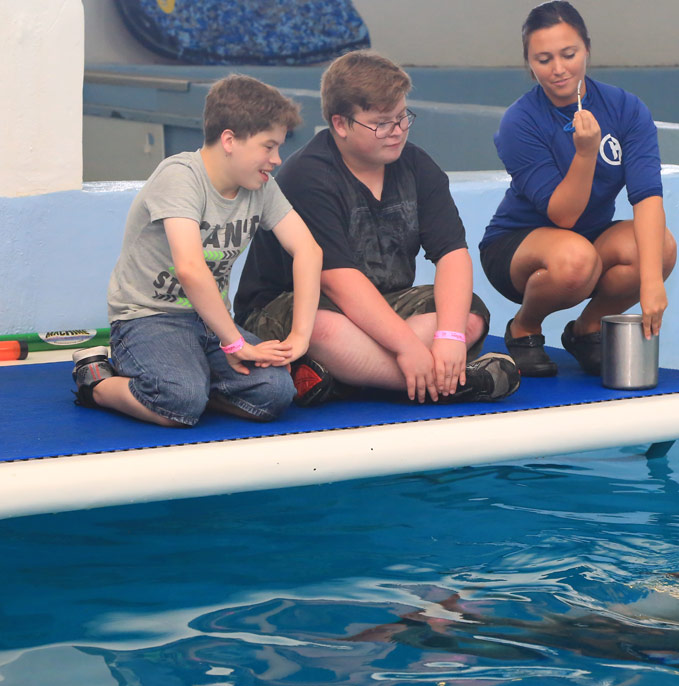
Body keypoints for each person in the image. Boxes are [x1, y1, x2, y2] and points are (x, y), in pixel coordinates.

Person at [234, 50, 519, 405]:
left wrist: (448, 336)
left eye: (402, 118)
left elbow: (452, 254)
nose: (397, 131)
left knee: (469, 314)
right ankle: (448, 385)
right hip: (289, 307)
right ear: (341, 124)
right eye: (382, 123)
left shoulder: (417, 165)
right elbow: (337, 282)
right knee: (322, 327)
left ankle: (344, 377)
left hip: (381, 303)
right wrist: (406, 347)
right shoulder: (307, 176)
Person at [71, 74, 323, 427]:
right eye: (268, 147)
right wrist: (236, 345)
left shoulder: (261, 187)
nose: (277, 159)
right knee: (180, 402)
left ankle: (194, 385)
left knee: (275, 394)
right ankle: (95, 380)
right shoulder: (180, 176)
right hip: (148, 318)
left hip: (210, 323)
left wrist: (300, 336)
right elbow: (190, 268)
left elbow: (309, 251)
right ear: (230, 140)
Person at [479, 1, 677, 377]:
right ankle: (524, 328)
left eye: (568, 54)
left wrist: (651, 284)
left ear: (587, 48)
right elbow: (563, 215)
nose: (558, 69)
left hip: (589, 239)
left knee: (659, 248)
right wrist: (585, 153)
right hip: (519, 246)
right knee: (575, 258)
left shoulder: (626, 109)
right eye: (543, 59)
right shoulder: (519, 122)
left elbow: (647, 195)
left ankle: (587, 329)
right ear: (529, 62)